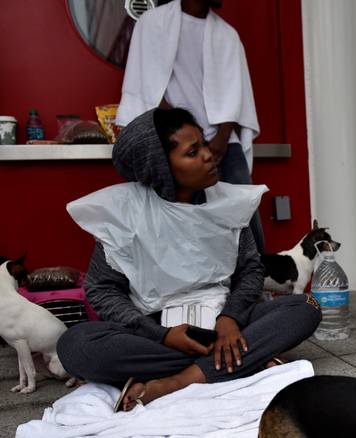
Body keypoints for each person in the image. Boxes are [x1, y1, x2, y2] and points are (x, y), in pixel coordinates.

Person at [58, 108, 320, 411]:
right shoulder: (124, 213)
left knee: (307, 307)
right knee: (74, 345)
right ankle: (244, 360)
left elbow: (250, 270)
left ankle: (179, 381)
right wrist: (162, 335)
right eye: (193, 152)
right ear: (160, 166)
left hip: (225, 323)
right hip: (156, 332)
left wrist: (230, 318)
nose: (209, 156)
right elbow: (102, 289)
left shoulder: (229, 205)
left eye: (204, 145)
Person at [116, 0, 265, 252]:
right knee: (173, 216)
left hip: (222, 140)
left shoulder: (227, 35)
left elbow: (235, 91)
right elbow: (148, 85)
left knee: (244, 209)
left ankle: (256, 277)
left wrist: (221, 138)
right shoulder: (152, 23)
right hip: (174, 139)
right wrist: (184, 131)